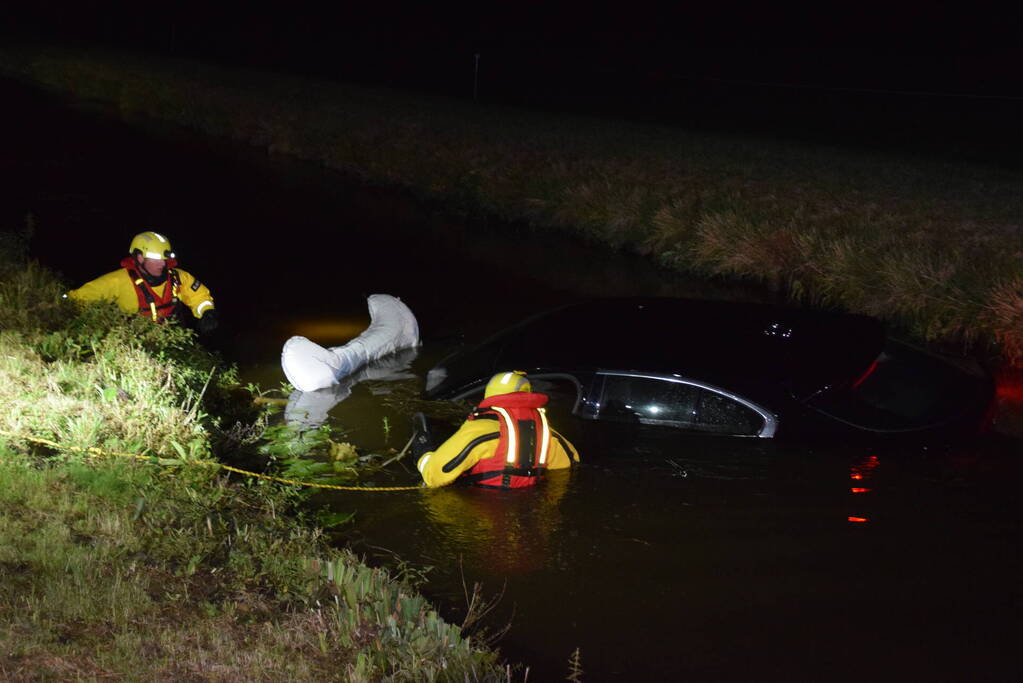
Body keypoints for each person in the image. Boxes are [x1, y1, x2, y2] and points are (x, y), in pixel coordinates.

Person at [415, 370, 580, 488]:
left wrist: (424, 451)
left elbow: (434, 475)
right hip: (527, 509)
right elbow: (572, 462)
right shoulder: (547, 434)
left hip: (482, 510)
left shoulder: (479, 430)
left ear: (489, 395)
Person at [67, 231, 218, 333]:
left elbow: (199, 296)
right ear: (139, 257)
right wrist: (56, 304)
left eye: (164, 259)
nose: (162, 264)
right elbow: (79, 298)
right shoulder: (117, 281)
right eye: (156, 259)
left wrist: (207, 312)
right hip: (137, 344)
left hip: (175, 340)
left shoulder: (179, 277)